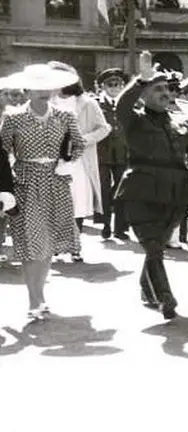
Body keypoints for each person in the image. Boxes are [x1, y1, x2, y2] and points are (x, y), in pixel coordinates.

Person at [115, 51, 188, 320]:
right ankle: (165, 296)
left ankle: (145, 286)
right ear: (144, 95)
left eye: (166, 89)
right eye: (157, 88)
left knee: (157, 246)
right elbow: (121, 106)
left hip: (175, 194)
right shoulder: (134, 120)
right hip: (141, 191)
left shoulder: (183, 122)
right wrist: (142, 79)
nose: (165, 93)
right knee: (152, 246)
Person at [0, 64, 84, 320]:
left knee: (47, 243)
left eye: (48, 87)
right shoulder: (13, 118)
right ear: (27, 89)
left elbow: (78, 144)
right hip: (25, 182)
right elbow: (2, 153)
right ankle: (33, 298)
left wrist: (66, 162)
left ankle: (40, 297)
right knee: (30, 242)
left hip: (56, 182)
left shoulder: (65, 115)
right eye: (38, 87)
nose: (44, 92)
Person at [49, 62, 112, 261]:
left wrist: (83, 140)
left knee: (77, 202)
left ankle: (75, 246)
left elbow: (104, 128)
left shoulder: (87, 103)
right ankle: (56, 245)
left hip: (78, 161)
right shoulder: (48, 101)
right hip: (52, 160)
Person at [95, 68, 130, 240]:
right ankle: (105, 224)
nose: (114, 88)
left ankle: (120, 227)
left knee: (121, 190)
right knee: (103, 189)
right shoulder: (95, 104)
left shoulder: (128, 104)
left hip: (123, 153)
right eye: (110, 84)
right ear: (103, 86)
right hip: (102, 153)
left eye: (118, 84)